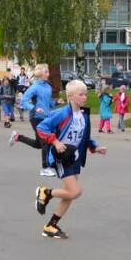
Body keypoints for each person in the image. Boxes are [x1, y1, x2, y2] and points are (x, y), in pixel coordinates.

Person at [32, 79, 107, 239]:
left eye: (86, 94)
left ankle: (51, 226)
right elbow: (41, 128)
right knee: (75, 191)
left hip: (75, 157)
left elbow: (83, 137)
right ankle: (46, 192)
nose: (85, 97)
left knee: (69, 194)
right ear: (71, 97)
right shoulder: (61, 113)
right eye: (81, 94)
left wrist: (95, 147)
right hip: (62, 158)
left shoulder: (83, 115)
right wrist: (56, 142)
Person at [8, 64, 58, 177]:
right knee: (45, 141)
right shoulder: (35, 87)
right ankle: (45, 168)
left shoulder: (48, 86)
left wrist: (55, 102)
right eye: (46, 72)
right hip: (35, 117)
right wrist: (35, 108)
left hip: (45, 117)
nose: (48, 74)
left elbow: (48, 103)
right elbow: (23, 101)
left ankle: (17, 137)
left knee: (38, 144)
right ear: (40, 74)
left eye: (48, 71)